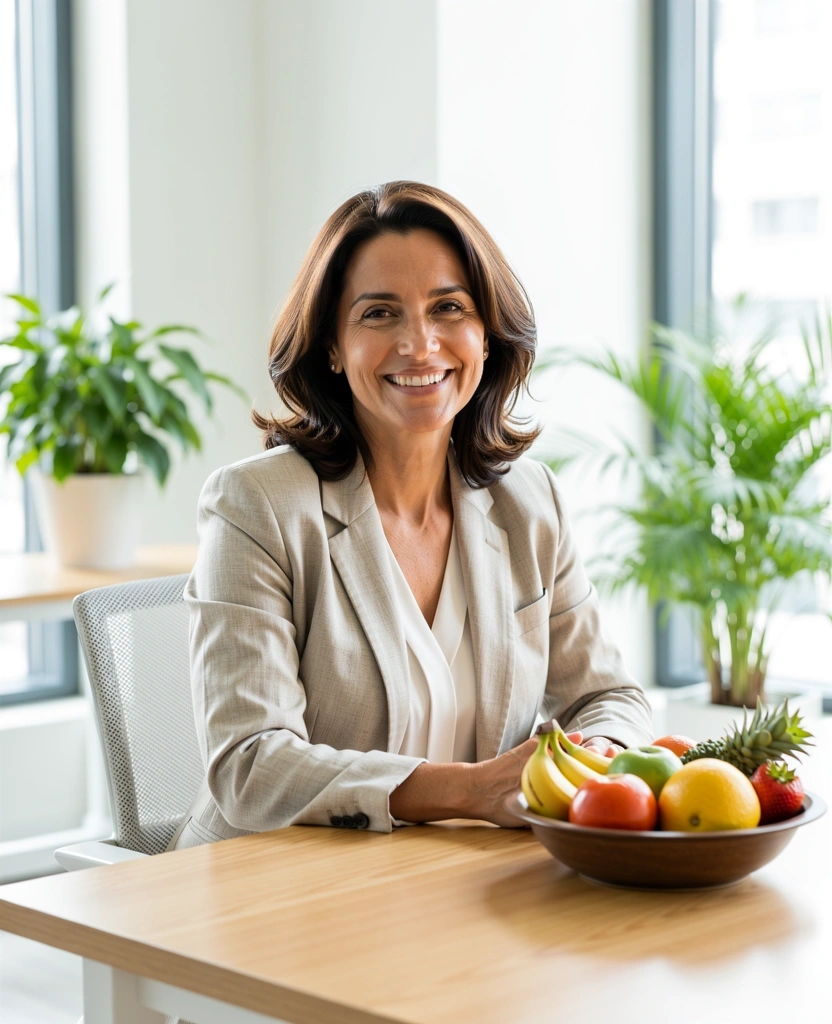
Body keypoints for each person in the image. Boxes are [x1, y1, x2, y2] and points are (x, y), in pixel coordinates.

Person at [167, 181, 653, 852]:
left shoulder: (529, 504)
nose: (420, 345)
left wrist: (592, 757)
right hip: (274, 889)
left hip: (454, 886)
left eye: (448, 308)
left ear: (486, 337)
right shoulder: (258, 507)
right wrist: (472, 789)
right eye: (379, 314)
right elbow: (250, 765)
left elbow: (611, 698)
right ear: (332, 347)